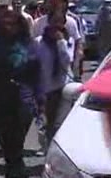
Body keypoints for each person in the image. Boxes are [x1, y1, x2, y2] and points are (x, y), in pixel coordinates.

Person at [0, 10, 44, 178]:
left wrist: (41, 101)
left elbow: (37, 74)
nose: (9, 28)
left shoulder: (30, 45)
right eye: (5, 24)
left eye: (13, 24)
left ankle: (16, 172)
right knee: (6, 143)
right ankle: (15, 170)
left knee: (16, 144)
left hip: (24, 100)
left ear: (20, 25)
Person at [35, 15, 72, 143]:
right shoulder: (39, 42)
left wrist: (61, 43)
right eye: (54, 22)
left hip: (62, 87)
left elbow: (67, 61)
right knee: (49, 122)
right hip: (45, 89)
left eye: (60, 23)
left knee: (61, 122)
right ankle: (48, 146)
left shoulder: (66, 41)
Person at [33, 0, 82, 67]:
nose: (53, 4)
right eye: (50, 1)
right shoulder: (38, 23)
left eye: (56, 1)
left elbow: (77, 42)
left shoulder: (71, 22)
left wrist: (76, 62)